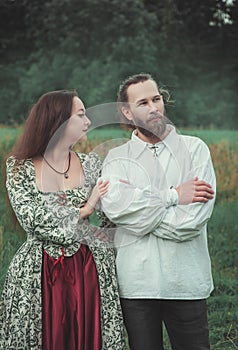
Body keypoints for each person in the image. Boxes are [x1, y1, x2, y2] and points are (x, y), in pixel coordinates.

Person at [0, 90, 125, 350]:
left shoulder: (91, 164)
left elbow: (111, 218)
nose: (88, 121)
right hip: (38, 271)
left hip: (90, 269)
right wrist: (84, 210)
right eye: (80, 115)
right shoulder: (19, 167)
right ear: (58, 121)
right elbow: (32, 219)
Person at [100, 73, 216, 350]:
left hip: (186, 281)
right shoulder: (117, 158)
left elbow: (191, 221)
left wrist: (137, 215)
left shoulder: (195, 149)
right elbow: (116, 209)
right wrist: (175, 196)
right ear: (127, 112)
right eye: (143, 103)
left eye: (157, 99)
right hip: (137, 284)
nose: (153, 107)